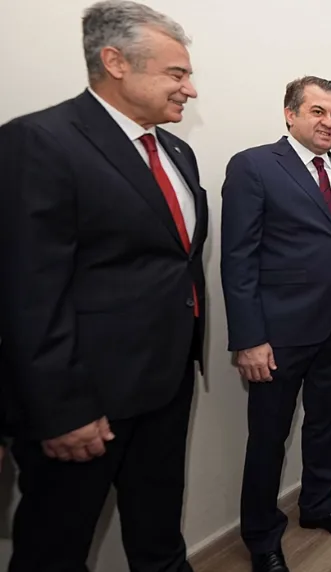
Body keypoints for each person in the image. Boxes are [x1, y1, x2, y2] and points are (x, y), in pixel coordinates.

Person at [0, 2, 204, 570]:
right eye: (177, 73)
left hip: (166, 386)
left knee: (159, 536)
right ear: (115, 62)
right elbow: (26, 293)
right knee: (53, 552)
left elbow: (172, 264)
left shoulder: (177, 152)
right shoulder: (39, 142)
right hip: (87, 404)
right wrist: (62, 410)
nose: (190, 89)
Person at [220, 76, 331, 572]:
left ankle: (318, 504)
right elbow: (238, 259)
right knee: (269, 438)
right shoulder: (254, 166)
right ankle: (261, 536)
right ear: (290, 114)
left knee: (327, 423)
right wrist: (249, 338)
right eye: (318, 111)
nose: (329, 122)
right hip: (278, 335)